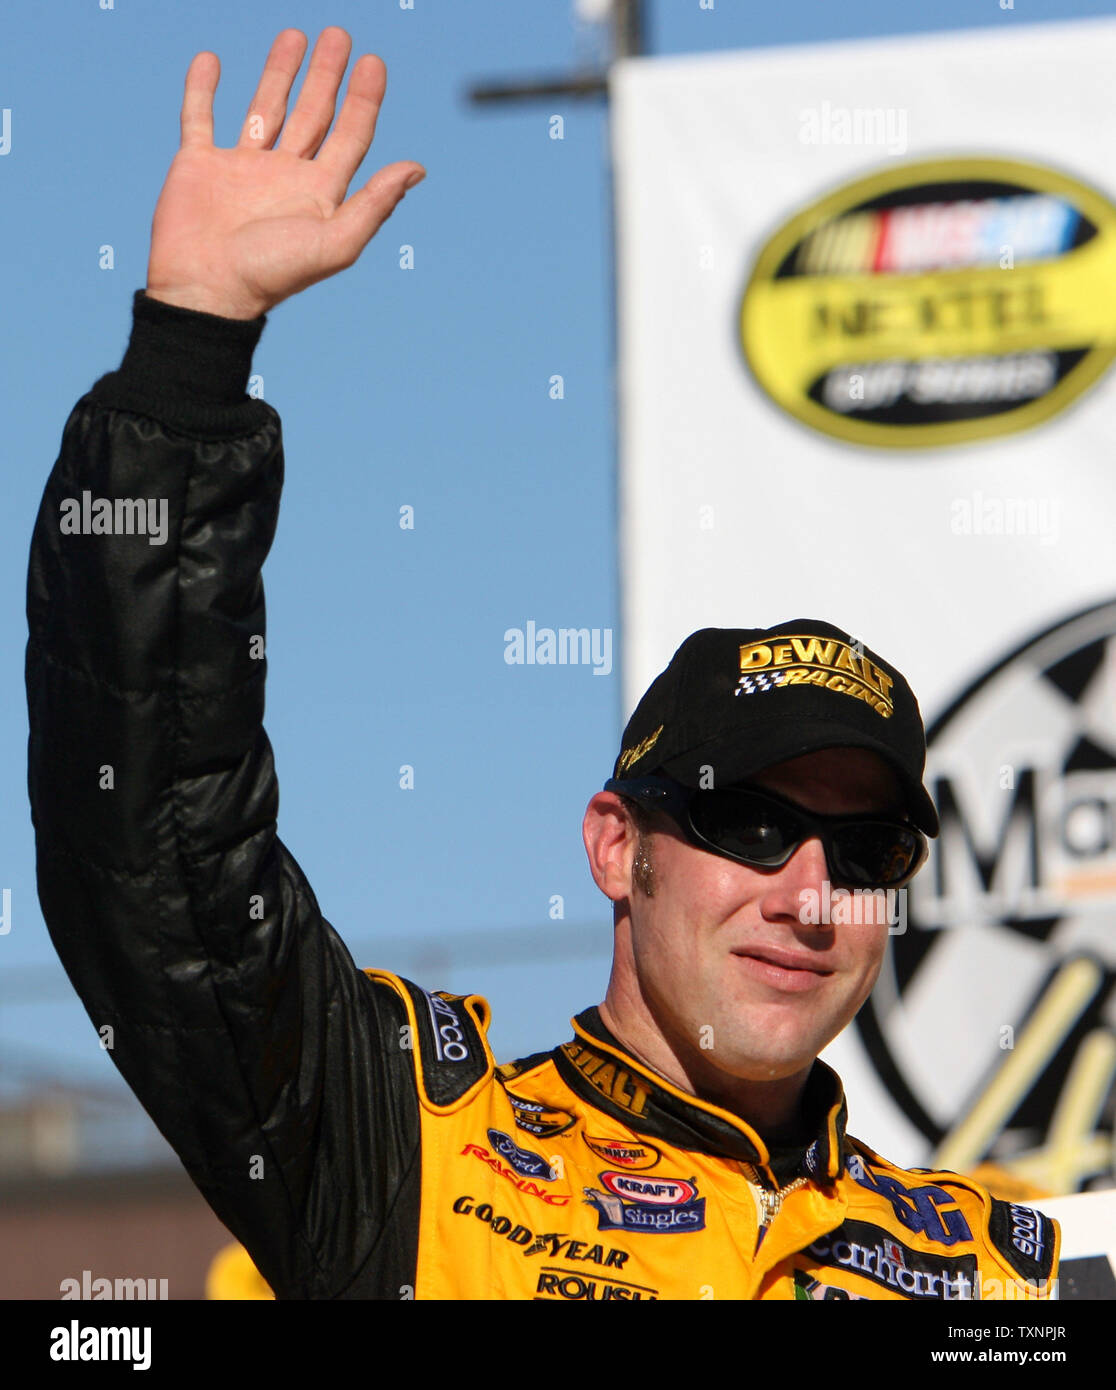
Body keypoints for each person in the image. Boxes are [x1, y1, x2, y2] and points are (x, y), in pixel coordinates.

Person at [25, 25, 1058, 1302]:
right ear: (616, 844)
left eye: (866, 854)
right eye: (748, 823)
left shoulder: (998, 1273)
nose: (809, 896)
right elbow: (154, 847)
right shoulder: (412, 1158)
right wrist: (191, 348)